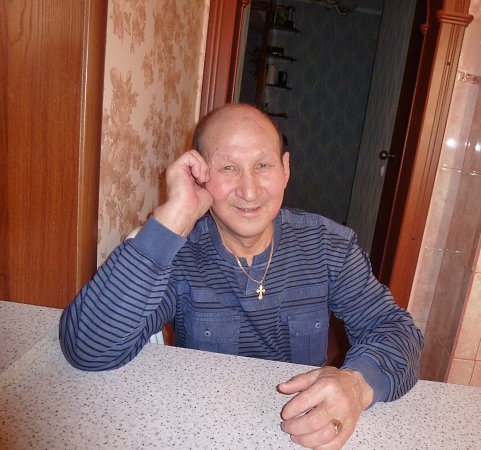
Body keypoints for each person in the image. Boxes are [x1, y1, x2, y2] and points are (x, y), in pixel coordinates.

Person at [59, 103, 423, 450]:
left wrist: (357, 385)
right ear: (199, 175)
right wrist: (173, 218)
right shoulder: (180, 254)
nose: (249, 191)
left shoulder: (329, 246)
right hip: (203, 428)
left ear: (285, 169)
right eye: (228, 168)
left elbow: (396, 329)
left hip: (299, 431)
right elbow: (88, 350)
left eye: (262, 165)